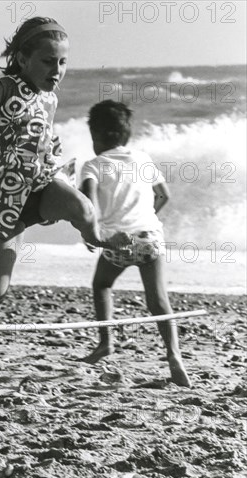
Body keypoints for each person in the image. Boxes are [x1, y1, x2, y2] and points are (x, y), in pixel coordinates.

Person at [0, 17, 120, 369]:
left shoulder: (50, 97)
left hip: (41, 181)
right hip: (6, 194)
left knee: (84, 210)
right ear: (23, 58)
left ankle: (99, 241)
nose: (56, 70)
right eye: (48, 61)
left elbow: (41, 131)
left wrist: (51, 146)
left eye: (62, 62)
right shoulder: (5, 87)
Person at [80, 100, 191, 387]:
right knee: (157, 299)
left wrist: (91, 233)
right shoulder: (142, 158)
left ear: (97, 137)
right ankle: (174, 355)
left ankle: (105, 343)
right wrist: (146, 221)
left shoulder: (93, 165)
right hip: (150, 238)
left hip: (118, 243)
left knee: (102, 285)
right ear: (125, 135)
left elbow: (87, 206)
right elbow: (163, 195)